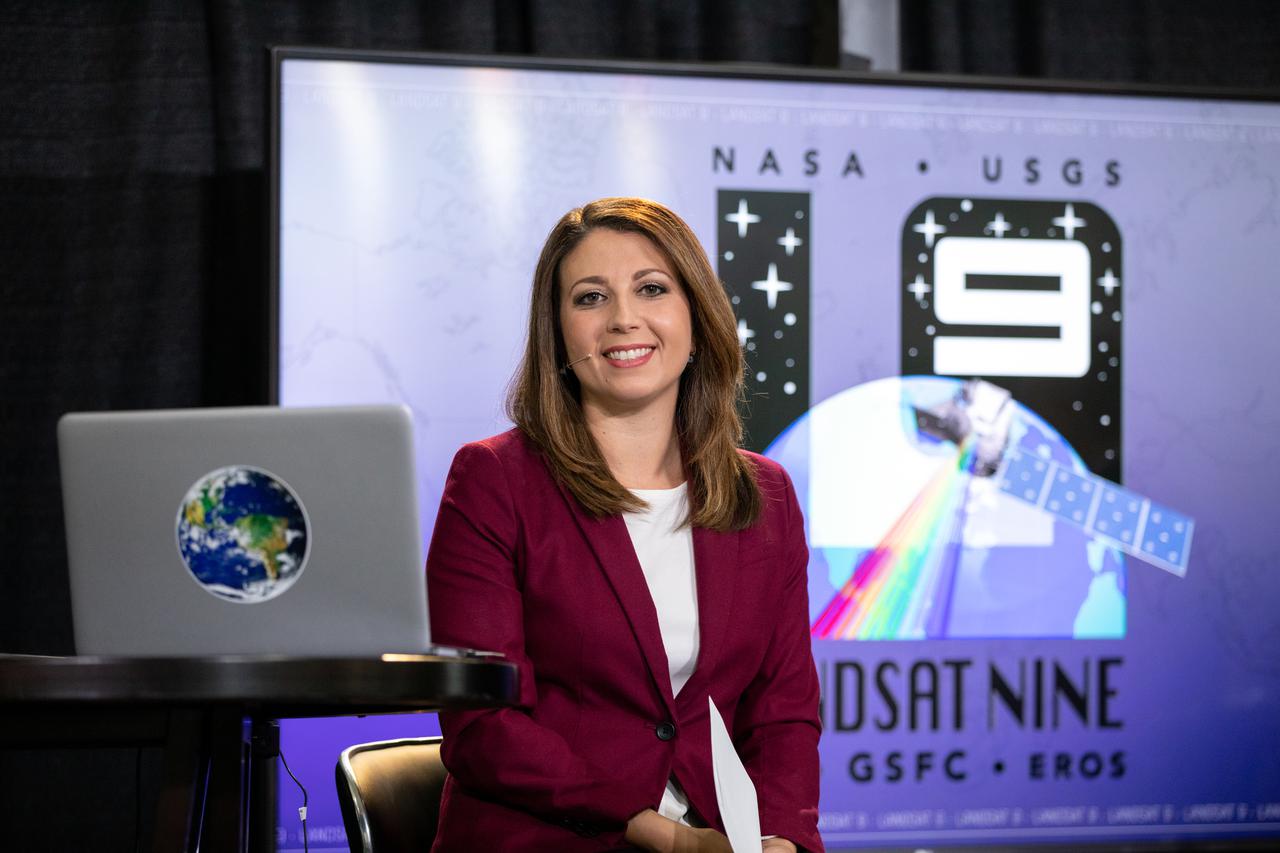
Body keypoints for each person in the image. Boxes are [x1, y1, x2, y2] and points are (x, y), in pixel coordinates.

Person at [426, 197, 823, 852]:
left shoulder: (765, 494)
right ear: (558, 333)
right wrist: (668, 839)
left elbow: (783, 712)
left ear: (697, 316)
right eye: (590, 298)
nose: (622, 318)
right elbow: (483, 724)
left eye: (652, 289)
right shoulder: (493, 479)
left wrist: (780, 837)